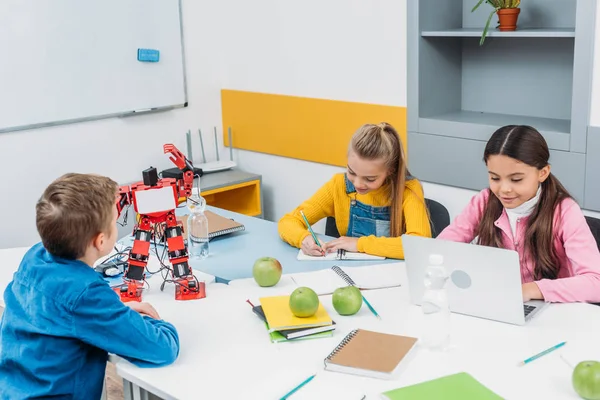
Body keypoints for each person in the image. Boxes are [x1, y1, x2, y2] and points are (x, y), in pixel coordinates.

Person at [0, 173, 180, 399]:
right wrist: (152, 322)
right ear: (101, 241)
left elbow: (66, 312)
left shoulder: (35, 257)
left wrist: (113, 311)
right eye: (115, 222)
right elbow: (162, 348)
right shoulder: (85, 295)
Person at [438, 125, 600, 303]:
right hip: (497, 304)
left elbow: (596, 282)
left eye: (516, 179)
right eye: (495, 178)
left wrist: (530, 290)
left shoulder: (565, 211)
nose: (504, 189)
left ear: (543, 173)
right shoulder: (484, 201)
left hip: (552, 312)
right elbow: (439, 250)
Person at [278, 122, 431, 259]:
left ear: (390, 170)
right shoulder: (339, 185)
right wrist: (303, 239)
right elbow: (288, 222)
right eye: (351, 172)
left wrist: (359, 244)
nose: (358, 184)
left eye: (370, 179)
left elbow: (418, 245)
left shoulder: (408, 190)